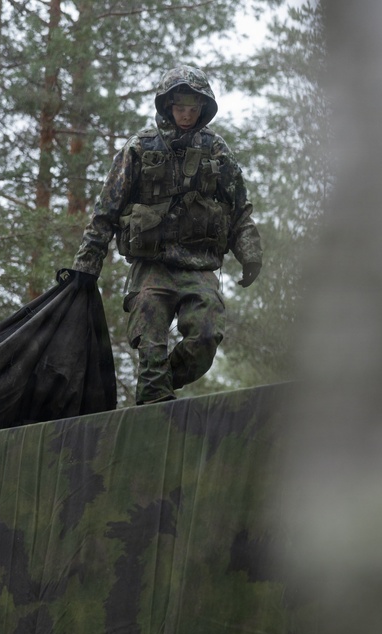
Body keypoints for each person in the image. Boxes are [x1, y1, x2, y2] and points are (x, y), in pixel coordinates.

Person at [72, 65, 263, 405]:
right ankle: (154, 396)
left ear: (202, 109)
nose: (186, 115)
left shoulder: (216, 150)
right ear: (167, 106)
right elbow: (107, 209)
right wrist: (86, 266)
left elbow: (238, 208)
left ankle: (155, 385)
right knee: (150, 337)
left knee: (205, 337)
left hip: (199, 266)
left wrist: (250, 252)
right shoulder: (140, 148)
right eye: (180, 107)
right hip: (153, 265)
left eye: (193, 108)